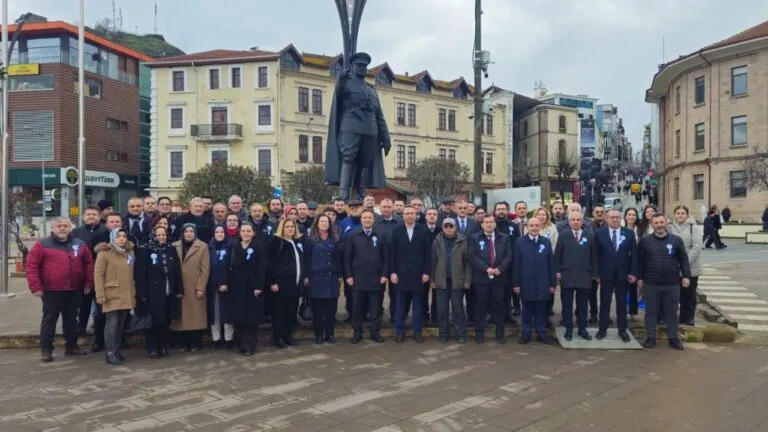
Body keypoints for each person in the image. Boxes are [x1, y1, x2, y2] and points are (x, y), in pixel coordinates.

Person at [27, 217, 94, 363]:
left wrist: (88, 283)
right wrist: (35, 286)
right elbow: (32, 266)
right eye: (59, 226)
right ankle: (46, 350)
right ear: (53, 228)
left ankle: (71, 346)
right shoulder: (42, 244)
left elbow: (89, 265)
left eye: (65, 226)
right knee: (49, 320)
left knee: (71, 320)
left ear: (70, 228)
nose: (62, 228)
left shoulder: (79, 244)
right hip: (52, 290)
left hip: (74, 289)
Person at [637, 213, 691, 350]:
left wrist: (686, 276)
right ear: (652, 225)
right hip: (651, 283)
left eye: (661, 222)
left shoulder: (676, 240)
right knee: (651, 311)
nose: (659, 225)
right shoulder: (644, 241)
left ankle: (674, 338)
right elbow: (640, 261)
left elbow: (683, 259)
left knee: (672, 311)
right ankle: (650, 337)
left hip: (672, 283)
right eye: (656, 223)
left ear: (666, 223)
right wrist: (640, 278)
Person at [134, 225, 182, 358]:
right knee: (154, 321)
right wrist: (141, 294)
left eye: (163, 235)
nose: (161, 237)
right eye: (158, 235)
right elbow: (140, 274)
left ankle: (163, 346)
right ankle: (152, 347)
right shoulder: (145, 250)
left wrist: (179, 289)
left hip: (168, 291)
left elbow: (177, 270)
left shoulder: (171, 249)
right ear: (153, 236)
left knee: (166, 320)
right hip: (152, 292)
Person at [595, 209, 638, 343]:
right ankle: (602, 329)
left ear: (621, 219)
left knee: (621, 303)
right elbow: (595, 255)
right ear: (607, 219)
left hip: (623, 274)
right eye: (612, 217)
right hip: (605, 274)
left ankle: (622, 330)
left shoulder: (629, 233)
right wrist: (596, 273)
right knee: (604, 302)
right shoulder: (599, 234)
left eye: (617, 217)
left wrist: (633, 272)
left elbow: (634, 255)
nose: (614, 220)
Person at [390, 206, 432, 343]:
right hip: (401, 274)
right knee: (400, 305)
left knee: (418, 306)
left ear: (416, 215)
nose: (409, 215)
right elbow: (392, 254)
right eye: (406, 213)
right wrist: (393, 272)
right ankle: (399, 331)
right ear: (402, 216)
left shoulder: (423, 231)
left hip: (418, 274)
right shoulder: (396, 231)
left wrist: (426, 272)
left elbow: (427, 254)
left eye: (412, 213)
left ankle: (417, 332)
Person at [345, 208, 388, 343]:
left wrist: (384, 274)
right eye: (365, 218)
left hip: (376, 278)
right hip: (357, 278)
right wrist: (349, 275)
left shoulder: (380, 235)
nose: (367, 220)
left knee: (375, 308)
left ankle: (375, 332)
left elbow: (386, 257)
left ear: (374, 220)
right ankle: (357, 332)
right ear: (361, 220)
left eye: (370, 217)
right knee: (357, 307)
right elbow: (347, 258)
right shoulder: (352, 235)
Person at [554, 211, 598, 341]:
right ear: (569, 222)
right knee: (567, 303)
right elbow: (557, 255)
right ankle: (568, 328)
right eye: (573, 220)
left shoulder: (590, 236)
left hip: (584, 274)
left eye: (578, 220)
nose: (576, 222)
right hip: (567, 274)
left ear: (582, 221)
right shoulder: (563, 236)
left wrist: (595, 273)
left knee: (583, 304)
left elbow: (594, 257)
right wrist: (557, 271)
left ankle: (582, 328)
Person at [94, 228, 136, 365]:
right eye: (118, 236)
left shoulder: (129, 252)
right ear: (113, 238)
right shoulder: (105, 254)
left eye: (124, 236)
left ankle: (117, 350)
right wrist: (100, 294)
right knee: (111, 324)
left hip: (126, 294)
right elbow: (98, 275)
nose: (122, 238)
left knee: (120, 325)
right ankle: (110, 352)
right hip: (111, 293)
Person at [468, 214, 512, 344]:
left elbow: (508, 255)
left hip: (499, 278)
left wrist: (500, 269)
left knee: (499, 306)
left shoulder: (504, 238)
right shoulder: (474, 238)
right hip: (481, 278)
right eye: (486, 222)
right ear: (482, 225)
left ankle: (500, 333)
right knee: (480, 306)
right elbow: (472, 256)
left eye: (491, 222)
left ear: (495, 224)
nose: (488, 224)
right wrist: (486, 268)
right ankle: (479, 333)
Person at [511, 216, 555, 345]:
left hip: (543, 282)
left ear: (540, 227)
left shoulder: (546, 242)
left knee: (541, 311)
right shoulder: (519, 242)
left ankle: (541, 333)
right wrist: (516, 283)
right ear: (527, 227)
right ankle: (526, 333)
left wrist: (552, 283)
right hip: (526, 283)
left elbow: (550, 264)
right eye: (532, 226)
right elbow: (516, 264)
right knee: (527, 311)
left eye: (537, 225)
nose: (534, 228)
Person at [226, 222, 267, 356]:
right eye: (243, 231)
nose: (246, 233)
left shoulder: (259, 247)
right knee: (239, 317)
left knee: (251, 319)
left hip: (252, 286)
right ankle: (240, 344)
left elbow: (262, 268)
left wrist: (259, 286)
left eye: (249, 231)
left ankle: (250, 345)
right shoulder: (233, 246)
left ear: (253, 233)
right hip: (236, 286)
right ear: (240, 232)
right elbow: (227, 265)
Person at [430, 218, 471, 343]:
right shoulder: (437, 241)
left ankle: (461, 333)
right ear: (442, 227)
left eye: (451, 226)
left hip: (457, 280)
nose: (448, 228)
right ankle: (443, 333)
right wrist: (432, 279)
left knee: (457, 308)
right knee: (442, 309)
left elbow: (467, 263)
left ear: (455, 227)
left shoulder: (463, 241)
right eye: (446, 226)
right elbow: (433, 261)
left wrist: (467, 280)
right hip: (441, 280)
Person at [268, 219, 307, 348]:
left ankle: (287, 336)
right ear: (282, 228)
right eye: (287, 226)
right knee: (280, 312)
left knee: (291, 312)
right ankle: (278, 338)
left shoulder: (297, 242)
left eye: (292, 226)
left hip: (294, 285)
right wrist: (273, 281)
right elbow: (270, 263)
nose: (290, 229)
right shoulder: (276, 242)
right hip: (280, 284)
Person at [171, 224, 210, 352]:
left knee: (195, 317)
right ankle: (182, 344)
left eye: (191, 231)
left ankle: (195, 344)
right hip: (179, 287)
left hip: (194, 287)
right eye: (186, 231)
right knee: (180, 318)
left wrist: (201, 287)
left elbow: (205, 269)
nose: (189, 234)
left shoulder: (202, 247)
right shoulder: (174, 246)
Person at [71, 205, 107, 335]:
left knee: (99, 305)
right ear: (83, 217)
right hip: (83, 273)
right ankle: (81, 328)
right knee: (83, 304)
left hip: (100, 272)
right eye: (88, 214)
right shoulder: (76, 232)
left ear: (99, 216)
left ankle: (99, 330)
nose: (91, 216)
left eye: (94, 214)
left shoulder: (105, 231)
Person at [306, 215, 342, 344]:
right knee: (317, 310)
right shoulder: (310, 239)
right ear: (317, 223)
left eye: (326, 222)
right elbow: (306, 259)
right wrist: (306, 276)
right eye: (321, 221)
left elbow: (338, 259)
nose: (324, 224)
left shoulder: (335, 239)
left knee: (330, 310)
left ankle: (330, 334)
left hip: (331, 277)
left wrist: (340, 275)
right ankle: (319, 335)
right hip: (315, 277)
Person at [668, 205, 703, 326]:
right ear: (675, 215)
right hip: (675, 266)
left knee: (690, 293)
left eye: (683, 213)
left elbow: (697, 246)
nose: (680, 215)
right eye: (678, 213)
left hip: (691, 266)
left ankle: (690, 317)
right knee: (680, 294)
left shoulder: (693, 227)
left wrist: (685, 262)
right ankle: (682, 317)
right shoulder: (671, 228)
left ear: (687, 215)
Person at [207, 225, 235, 349]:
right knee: (216, 313)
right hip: (212, 286)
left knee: (228, 313)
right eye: (217, 232)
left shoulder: (231, 247)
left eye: (221, 232)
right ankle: (216, 339)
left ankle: (229, 339)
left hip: (227, 285)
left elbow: (232, 266)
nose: (219, 234)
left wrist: (226, 282)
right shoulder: (209, 248)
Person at [535, 207, 559, 317]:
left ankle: (549, 307)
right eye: (539, 214)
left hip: (549, 261)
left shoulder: (553, 228)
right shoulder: (530, 227)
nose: (541, 216)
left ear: (547, 216)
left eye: (543, 214)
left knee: (549, 285)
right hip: (534, 262)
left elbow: (555, 244)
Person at [623, 207, 641, 321]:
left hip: (636, 260)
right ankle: (622, 310)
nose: (631, 217)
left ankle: (633, 312)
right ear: (625, 216)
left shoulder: (640, 229)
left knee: (634, 288)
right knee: (622, 288)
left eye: (633, 215)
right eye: (629, 214)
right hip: (624, 261)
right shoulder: (621, 228)